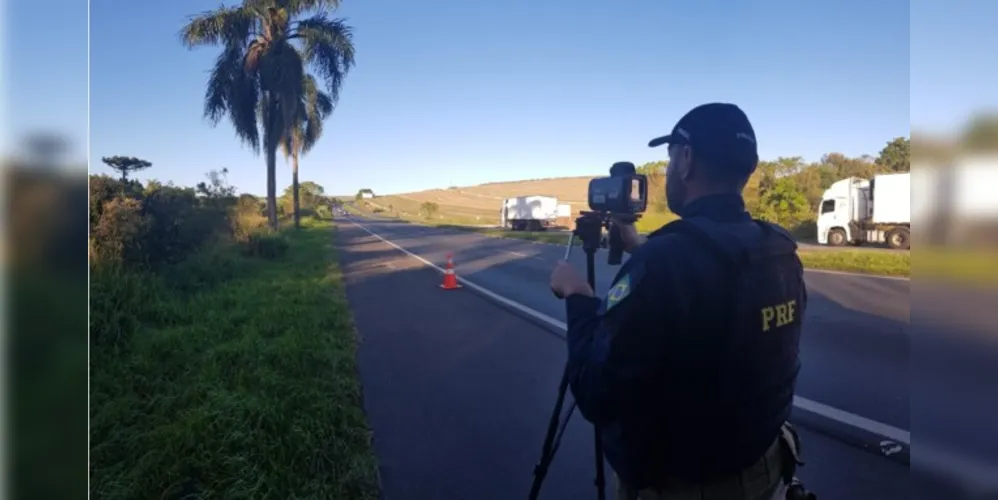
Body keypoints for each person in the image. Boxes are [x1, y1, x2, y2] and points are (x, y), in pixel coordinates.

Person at [549, 103, 810, 500]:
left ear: (686, 159)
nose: (667, 170)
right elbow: (713, 287)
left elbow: (596, 390)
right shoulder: (778, 250)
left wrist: (579, 296)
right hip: (765, 472)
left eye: (670, 158)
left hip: (684, 485)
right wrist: (642, 249)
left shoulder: (667, 263)